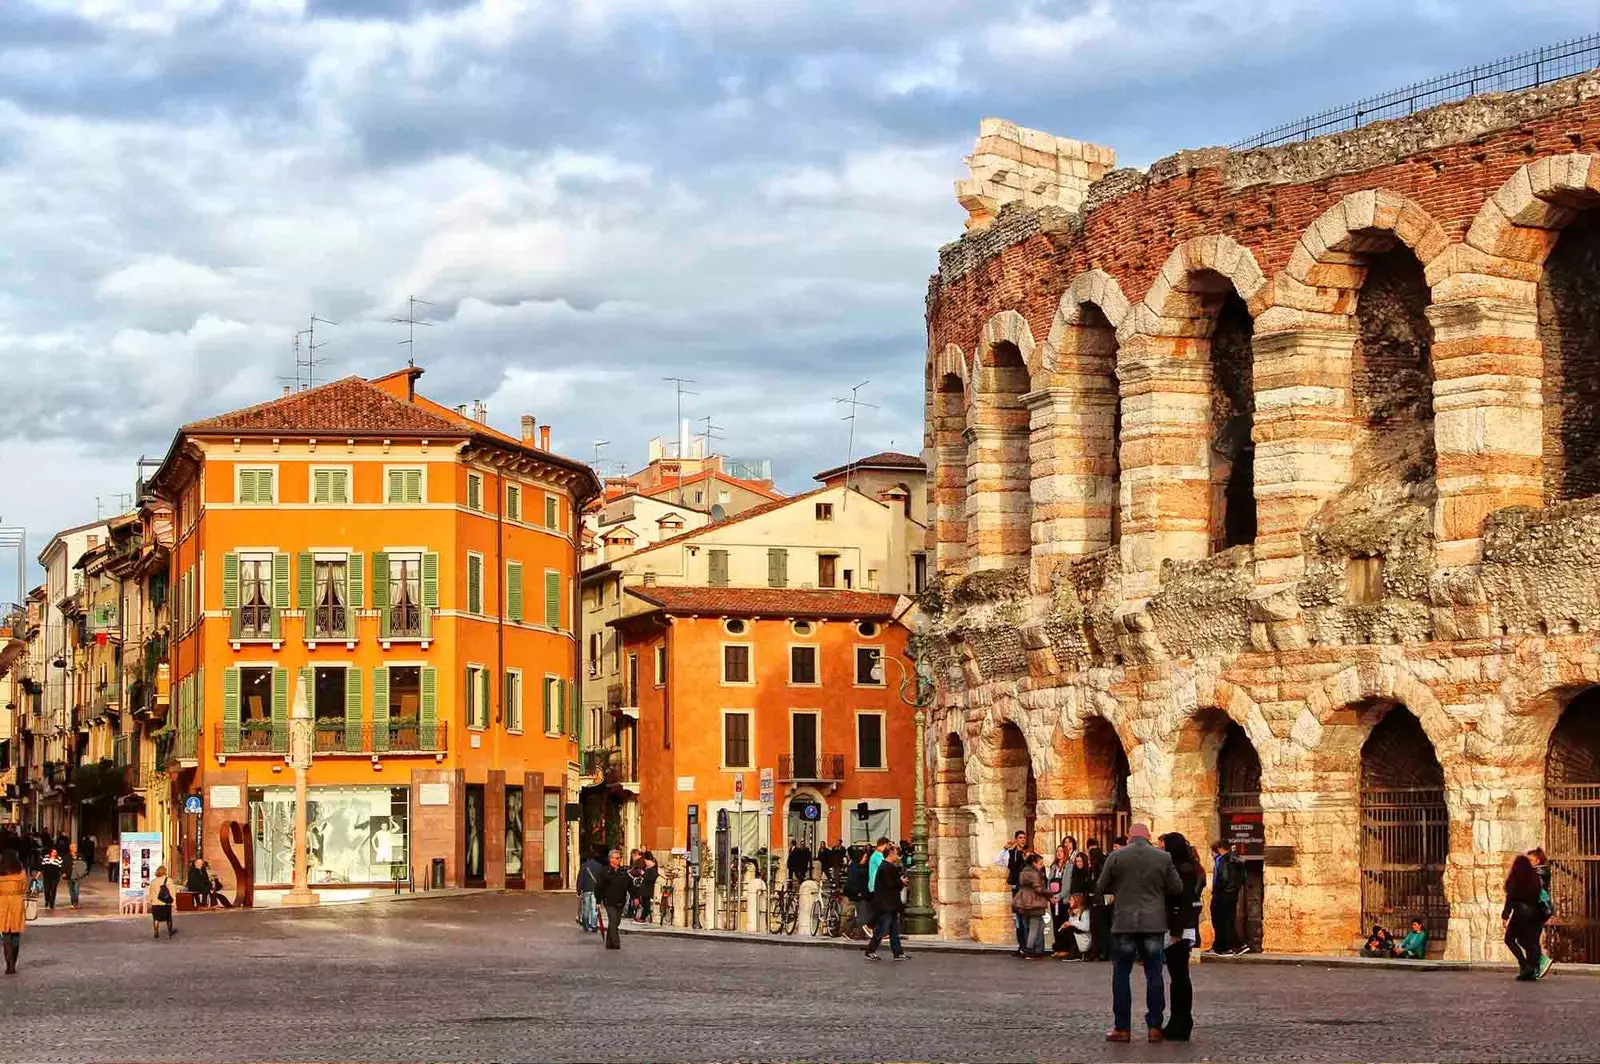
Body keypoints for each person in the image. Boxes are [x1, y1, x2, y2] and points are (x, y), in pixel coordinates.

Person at [1096, 822, 1183, 1044]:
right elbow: (1177, 888)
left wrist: (1120, 889)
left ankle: (1122, 1028)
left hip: (1124, 922)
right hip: (1153, 923)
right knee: (1154, 975)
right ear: (1148, 836)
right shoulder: (1163, 857)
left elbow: (1100, 886)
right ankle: (1154, 1028)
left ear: (1128, 837)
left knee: (1121, 975)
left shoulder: (1117, 857)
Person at [1160, 832, 1205, 1042]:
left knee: (1179, 976)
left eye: (1163, 845)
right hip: (1178, 926)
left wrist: (1176, 932)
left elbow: (1184, 902)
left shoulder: (1182, 868)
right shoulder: (1185, 865)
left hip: (1179, 928)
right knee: (1178, 976)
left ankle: (1182, 1022)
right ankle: (1179, 1021)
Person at [1503, 853, 1548, 980]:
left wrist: (1505, 915)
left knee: (1509, 939)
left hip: (1520, 913)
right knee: (1528, 941)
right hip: (1534, 914)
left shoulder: (1515, 879)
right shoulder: (1535, 879)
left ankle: (1524, 965)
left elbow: (1510, 898)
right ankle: (1531, 970)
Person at [864, 844, 908, 961]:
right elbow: (890, 884)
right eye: (896, 853)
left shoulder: (886, 866)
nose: (897, 855)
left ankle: (898, 953)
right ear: (891, 853)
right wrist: (901, 882)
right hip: (886, 905)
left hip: (890, 904)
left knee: (894, 931)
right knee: (882, 930)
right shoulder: (887, 867)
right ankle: (870, 950)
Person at [993, 830, 1031, 954]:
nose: (1022, 840)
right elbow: (997, 861)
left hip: (1025, 889)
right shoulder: (1011, 853)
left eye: (1024, 838)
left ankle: (1027, 946)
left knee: (1025, 918)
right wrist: (1005, 848)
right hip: (1015, 888)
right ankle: (1021, 946)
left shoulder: (1028, 853)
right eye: (1020, 838)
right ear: (1016, 839)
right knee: (1018, 919)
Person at [1208, 840, 1246, 955]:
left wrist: (1217, 890)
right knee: (1228, 920)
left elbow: (1223, 878)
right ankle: (1231, 945)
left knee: (1221, 920)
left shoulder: (1223, 860)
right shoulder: (1237, 859)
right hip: (1232, 894)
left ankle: (1228, 946)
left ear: (1219, 848)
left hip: (1223, 894)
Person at [1014, 852, 1051, 959]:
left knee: (1038, 926)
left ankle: (1038, 950)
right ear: (1034, 863)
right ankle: (1030, 950)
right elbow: (1038, 889)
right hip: (1035, 902)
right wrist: (1050, 893)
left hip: (1026, 902)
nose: (1041, 866)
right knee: (1034, 928)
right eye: (1040, 863)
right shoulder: (1034, 874)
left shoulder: (1024, 872)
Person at [595, 849, 631, 950]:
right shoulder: (605, 871)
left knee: (616, 922)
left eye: (620, 858)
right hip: (609, 901)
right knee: (613, 920)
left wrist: (636, 896)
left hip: (620, 900)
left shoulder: (623, 871)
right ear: (611, 859)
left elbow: (629, 885)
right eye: (617, 858)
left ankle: (608, 943)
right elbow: (599, 887)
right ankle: (616, 944)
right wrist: (598, 900)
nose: (619, 860)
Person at [0, 850, 26, 975]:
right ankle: (13, 963)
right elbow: (24, 888)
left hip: (3, 903)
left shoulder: (1, 873)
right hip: (17, 902)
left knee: (6, 935)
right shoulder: (20, 873)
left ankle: (8, 964)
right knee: (15, 934)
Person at [1086, 839, 1109, 961]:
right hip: (1093, 900)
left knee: (1102, 927)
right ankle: (1095, 951)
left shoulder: (1101, 869)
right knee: (1094, 927)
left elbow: (1101, 885)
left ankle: (1103, 951)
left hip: (1100, 901)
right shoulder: (1092, 869)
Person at [1047, 844, 1072, 957]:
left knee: (1063, 922)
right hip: (1053, 899)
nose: (1059, 853)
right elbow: (1049, 882)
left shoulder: (1069, 866)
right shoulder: (1053, 866)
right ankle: (1058, 947)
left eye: (1061, 851)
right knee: (1056, 923)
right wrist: (1050, 896)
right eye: (1057, 851)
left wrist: (1060, 896)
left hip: (1063, 899)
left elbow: (1067, 884)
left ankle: (1065, 948)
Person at [576, 847, 604, 933]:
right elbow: (602, 879)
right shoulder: (599, 866)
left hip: (586, 889)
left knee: (586, 908)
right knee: (594, 908)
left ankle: (585, 925)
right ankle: (594, 925)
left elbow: (580, 879)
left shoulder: (584, 866)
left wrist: (578, 890)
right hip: (596, 890)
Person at [148, 864, 178, 939]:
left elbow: (151, 893)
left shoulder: (153, 881)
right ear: (165, 872)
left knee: (156, 918)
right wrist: (174, 903)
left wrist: (151, 901)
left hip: (155, 903)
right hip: (165, 903)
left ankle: (156, 932)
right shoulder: (168, 880)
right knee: (168, 918)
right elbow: (172, 892)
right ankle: (170, 931)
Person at [1062, 893, 1093, 959]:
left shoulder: (1085, 912)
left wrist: (1072, 923)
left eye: (1071, 900)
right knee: (1065, 930)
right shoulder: (1072, 912)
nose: (1069, 902)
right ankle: (1070, 950)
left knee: (1070, 929)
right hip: (1077, 936)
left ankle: (1076, 953)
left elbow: (1086, 927)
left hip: (1084, 938)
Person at [67, 844, 88, 910]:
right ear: (70, 848)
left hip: (77, 876)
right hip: (69, 876)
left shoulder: (80, 856)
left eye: (76, 847)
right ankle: (72, 903)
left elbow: (84, 864)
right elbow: (64, 865)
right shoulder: (67, 856)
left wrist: (83, 873)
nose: (75, 848)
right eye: (73, 847)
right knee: (71, 891)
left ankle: (76, 903)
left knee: (76, 890)